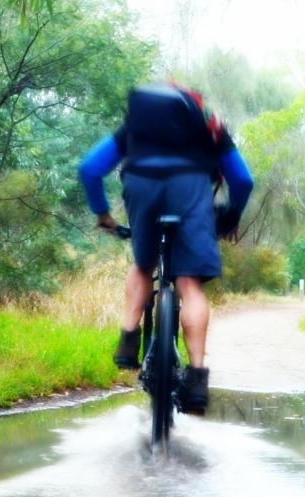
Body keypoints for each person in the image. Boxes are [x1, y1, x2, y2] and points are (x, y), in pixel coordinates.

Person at [77, 82, 254, 415]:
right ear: (191, 103)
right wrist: (229, 216)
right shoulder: (207, 124)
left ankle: (128, 340)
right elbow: (243, 180)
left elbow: (89, 168)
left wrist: (103, 214)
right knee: (189, 284)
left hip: (141, 183)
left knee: (143, 265)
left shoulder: (137, 125)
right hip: (190, 187)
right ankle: (198, 377)